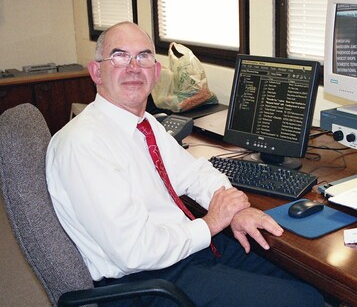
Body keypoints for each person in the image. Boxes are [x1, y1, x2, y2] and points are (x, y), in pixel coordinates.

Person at [46, 22, 324, 306]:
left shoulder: (145, 124)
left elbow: (194, 173)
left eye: (143, 56)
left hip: (184, 250)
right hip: (145, 283)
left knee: (310, 281)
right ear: (96, 71)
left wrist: (231, 207)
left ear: (155, 73)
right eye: (119, 56)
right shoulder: (83, 144)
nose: (133, 67)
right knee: (302, 300)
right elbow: (134, 251)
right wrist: (213, 222)